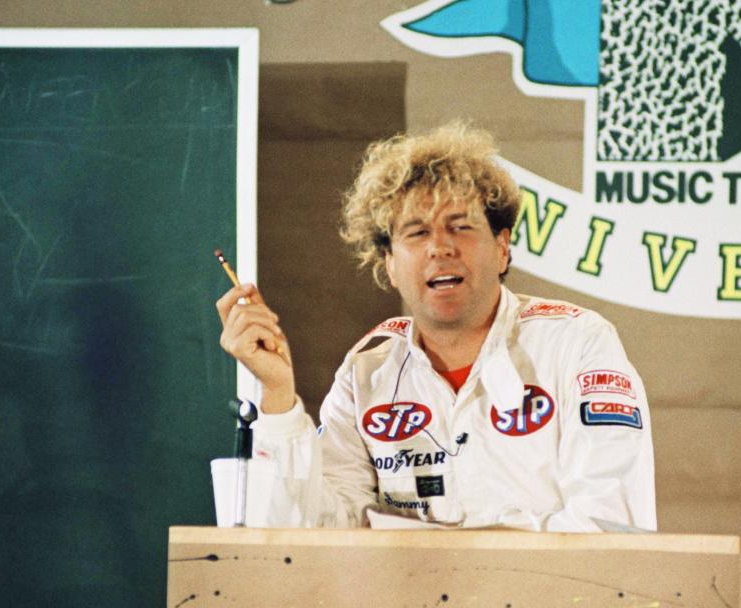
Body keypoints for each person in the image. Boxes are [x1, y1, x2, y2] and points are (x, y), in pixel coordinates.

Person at [216, 122, 655, 531]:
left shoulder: (577, 344)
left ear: (502, 248)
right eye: (416, 232)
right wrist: (276, 395)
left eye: (459, 227)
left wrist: (447, 562)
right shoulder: (366, 371)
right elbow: (317, 533)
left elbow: (610, 526)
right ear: (388, 264)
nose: (440, 248)